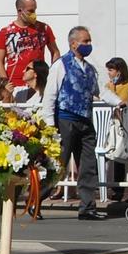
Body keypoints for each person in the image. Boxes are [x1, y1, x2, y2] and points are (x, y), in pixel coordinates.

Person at [43, 25, 104, 218]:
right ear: (73, 43)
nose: (88, 45)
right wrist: (50, 124)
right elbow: (50, 95)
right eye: (85, 41)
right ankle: (35, 200)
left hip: (85, 121)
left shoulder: (89, 69)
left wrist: (119, 102)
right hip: (66, 120)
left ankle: (87, 207)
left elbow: (99, 90)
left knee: (87, 165)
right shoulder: (61, 65)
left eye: (89, 41)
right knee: (58, 165)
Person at [0, 0, 58, 96]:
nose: (34, 14)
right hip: (16, 86)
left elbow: (55, 51)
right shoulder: (6, 32)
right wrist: (6, 83)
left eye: (35, 10)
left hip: (39, 84)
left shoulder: (44, 29)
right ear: (19, 11)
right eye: (30, 11)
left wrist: (53, 75)